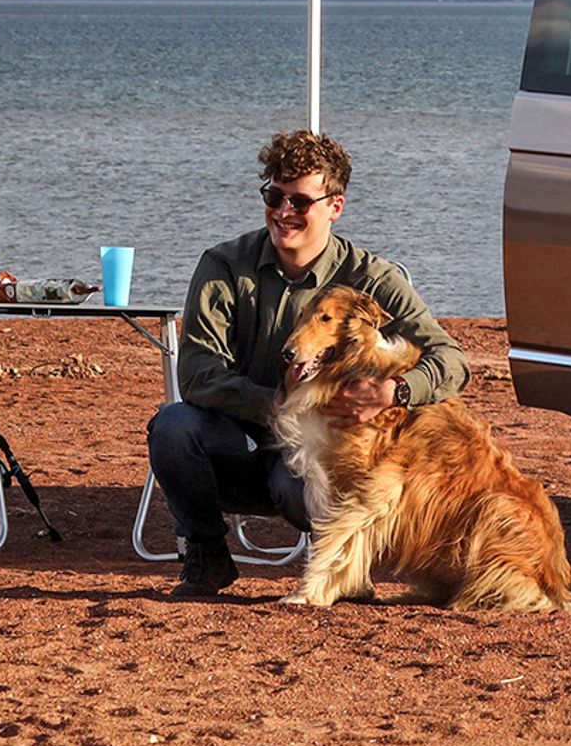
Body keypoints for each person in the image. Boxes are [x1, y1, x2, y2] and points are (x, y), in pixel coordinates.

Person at [146, 129, 467, 598]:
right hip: (237, 444)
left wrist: (392, 391)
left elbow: (452, 361)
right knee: (172, 427)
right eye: (273, 196)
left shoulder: (372, 277)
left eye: (299, 201)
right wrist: (277, 400)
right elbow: (196, 374)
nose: (283, 212)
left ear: (335, 206)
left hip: (317, 457)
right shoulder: (223, 265)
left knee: (305, 485)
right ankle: (207, 555)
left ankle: (345, 570)